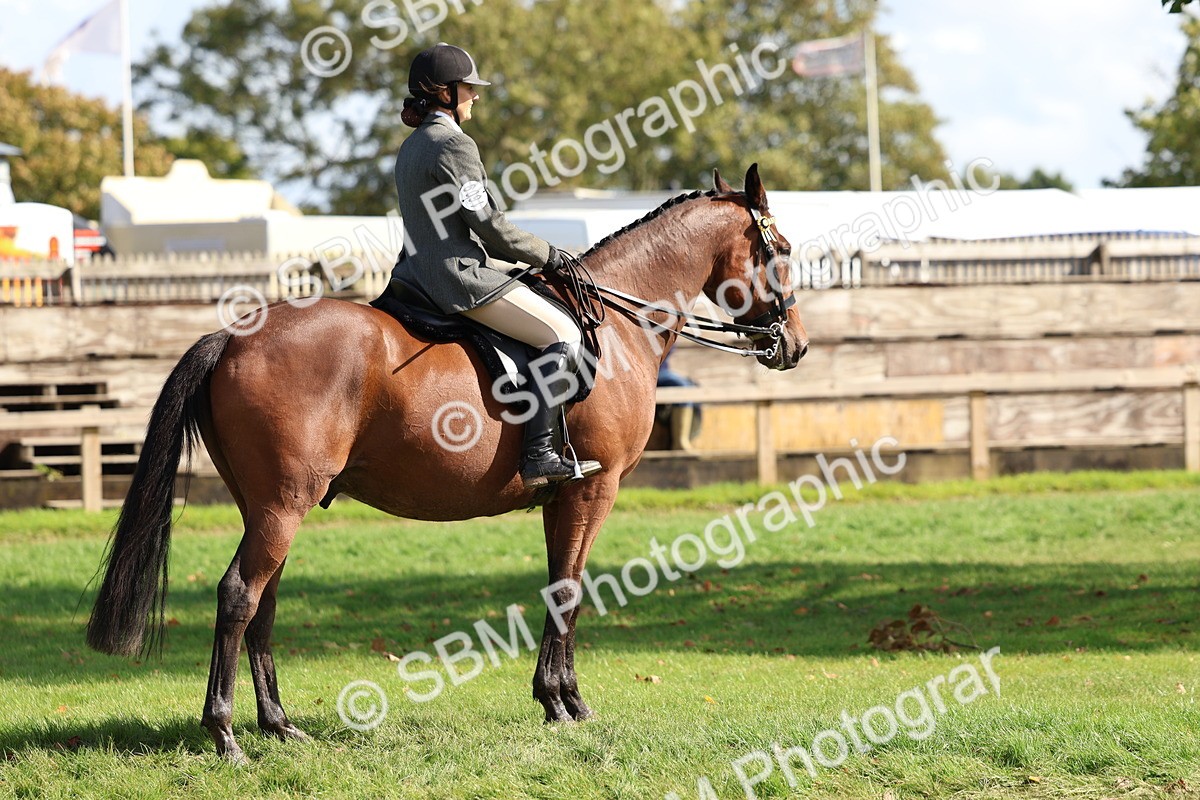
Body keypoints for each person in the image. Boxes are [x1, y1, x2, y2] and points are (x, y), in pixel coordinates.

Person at [390, 42, 600, 489]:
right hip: (457, 280)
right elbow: (491, 229)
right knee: (562, 333)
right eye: (468, 87)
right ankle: (540, 454)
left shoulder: (411, 146)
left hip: (414, 276)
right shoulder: (454, 145)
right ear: (445, 92)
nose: (475, 96)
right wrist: (550, 255)